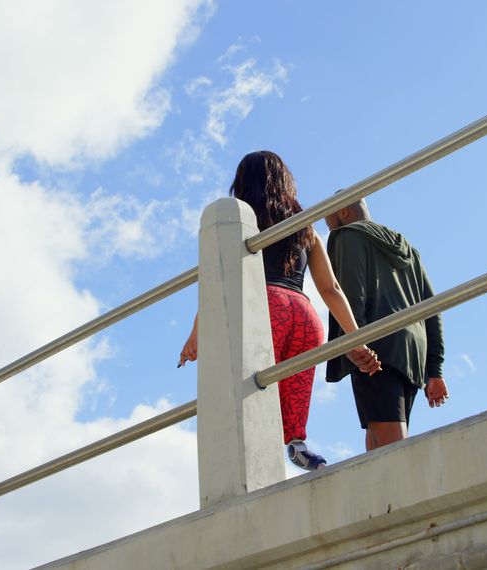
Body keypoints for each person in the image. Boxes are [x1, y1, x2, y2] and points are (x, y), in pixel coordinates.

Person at [179, 151, 381, 470]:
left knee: (249, 394)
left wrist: (196, 332)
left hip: (266, 305)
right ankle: (297, 444)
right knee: (292, 391)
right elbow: (331, 289)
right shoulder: (305, 226)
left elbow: (218, 281)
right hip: (303, 312)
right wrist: (356, 340)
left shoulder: (243, 223)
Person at [323, 196, 448, 451]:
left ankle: (403, 490)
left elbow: (350, 291)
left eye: (327, 219)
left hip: (374, 344)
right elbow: (432, 306)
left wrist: (354, 340)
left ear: (343, 211)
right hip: (414, 351)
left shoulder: (347, 236)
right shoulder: (409, 250)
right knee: (379, 430)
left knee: (387, 435)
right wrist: (435, 369)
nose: (328, 228)